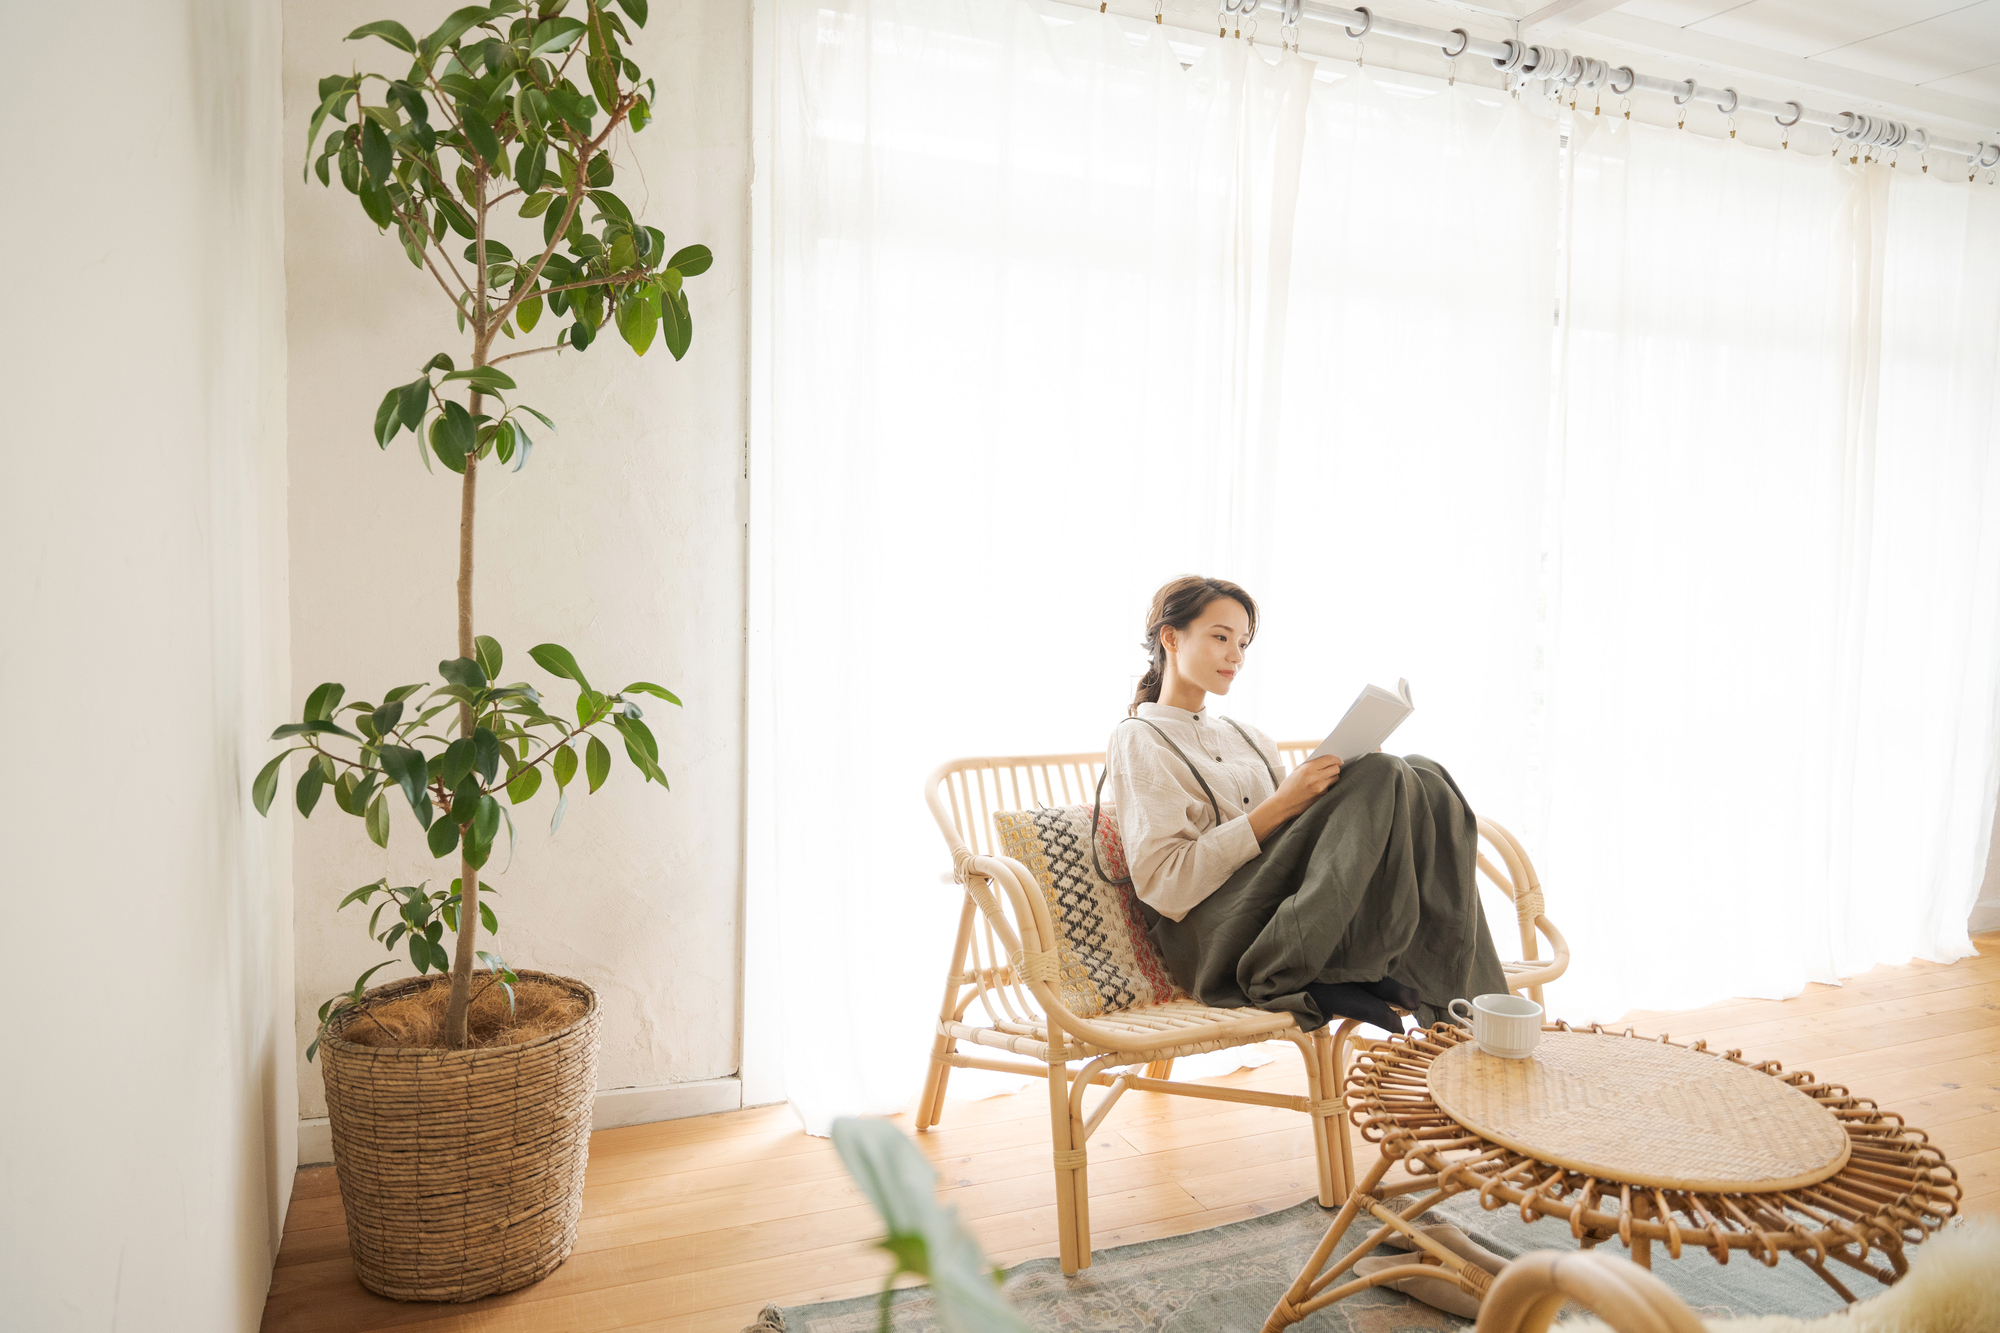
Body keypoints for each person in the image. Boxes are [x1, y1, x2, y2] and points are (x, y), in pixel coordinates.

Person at [1100, 575, 1506, 1032]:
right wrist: (1282, 804)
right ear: (1171, 638)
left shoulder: (1248, 737)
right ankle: (1351, 978)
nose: (1236, 656)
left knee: (1423, 774)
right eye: (1220, 637)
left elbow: (1296, 843)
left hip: (1284, 911)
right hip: (1214, 940)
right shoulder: (1138, 738)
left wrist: (1345, 785)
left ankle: (1465, 1004)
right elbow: (1165, 886)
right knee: (1386, 773)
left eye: (1244, 643)